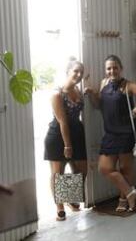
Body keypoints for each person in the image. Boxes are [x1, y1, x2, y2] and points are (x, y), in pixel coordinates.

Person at [85, 55, 136, 212]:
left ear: (121, 69)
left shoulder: (127, 85)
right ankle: (131, 194)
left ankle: (123, 198)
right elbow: (98, 106)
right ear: (105, 70)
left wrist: (135, 111)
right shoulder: (103, 83)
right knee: (104, 168)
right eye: (109, 68)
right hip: (110, 133)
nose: (112, 71)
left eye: (115, 67)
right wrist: (91, 94)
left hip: (126, 132)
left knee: (125, 169)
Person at [44, 59, 88, 221]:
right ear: (68, 71)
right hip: (58, 137)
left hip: (76, 134)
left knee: (82, 170)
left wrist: (89, 88)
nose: (78, 74)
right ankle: (60, 207)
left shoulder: (77, 89)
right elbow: (63, 121)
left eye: (81, 72)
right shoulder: (57, 94)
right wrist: (67, 145)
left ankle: (69, 197)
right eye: (76, 71)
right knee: (58, 174)